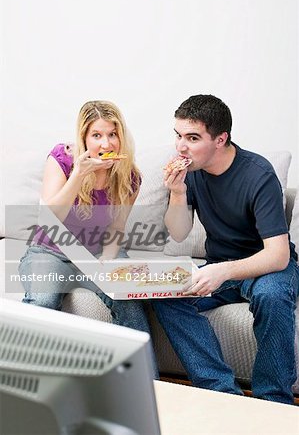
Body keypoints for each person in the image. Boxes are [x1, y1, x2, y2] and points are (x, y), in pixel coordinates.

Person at [152, 94, 299, 404]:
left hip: (266, 266)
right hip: (221, 265)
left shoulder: (258, 175)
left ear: (221, 139)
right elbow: (178, 233)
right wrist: (177, 192)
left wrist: (224, 270)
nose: (181, 146)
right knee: (165, 294)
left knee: (271, 296)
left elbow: (278, 254)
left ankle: (273, 402)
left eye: (193, 138)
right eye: (178, 135)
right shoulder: (191, 173)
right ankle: (221, 393)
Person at [19, 101, 158, 375]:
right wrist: (79, 175)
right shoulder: (62, 158)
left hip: (96, 253)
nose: (106, 143)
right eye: (96, 135)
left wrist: (106, 264)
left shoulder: (129, 177)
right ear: (83, 138)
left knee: (128, 301)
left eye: (112, 134)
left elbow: (116, 229)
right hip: (50, 252)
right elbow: (50, 217)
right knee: (43, 303)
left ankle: (150, 388)